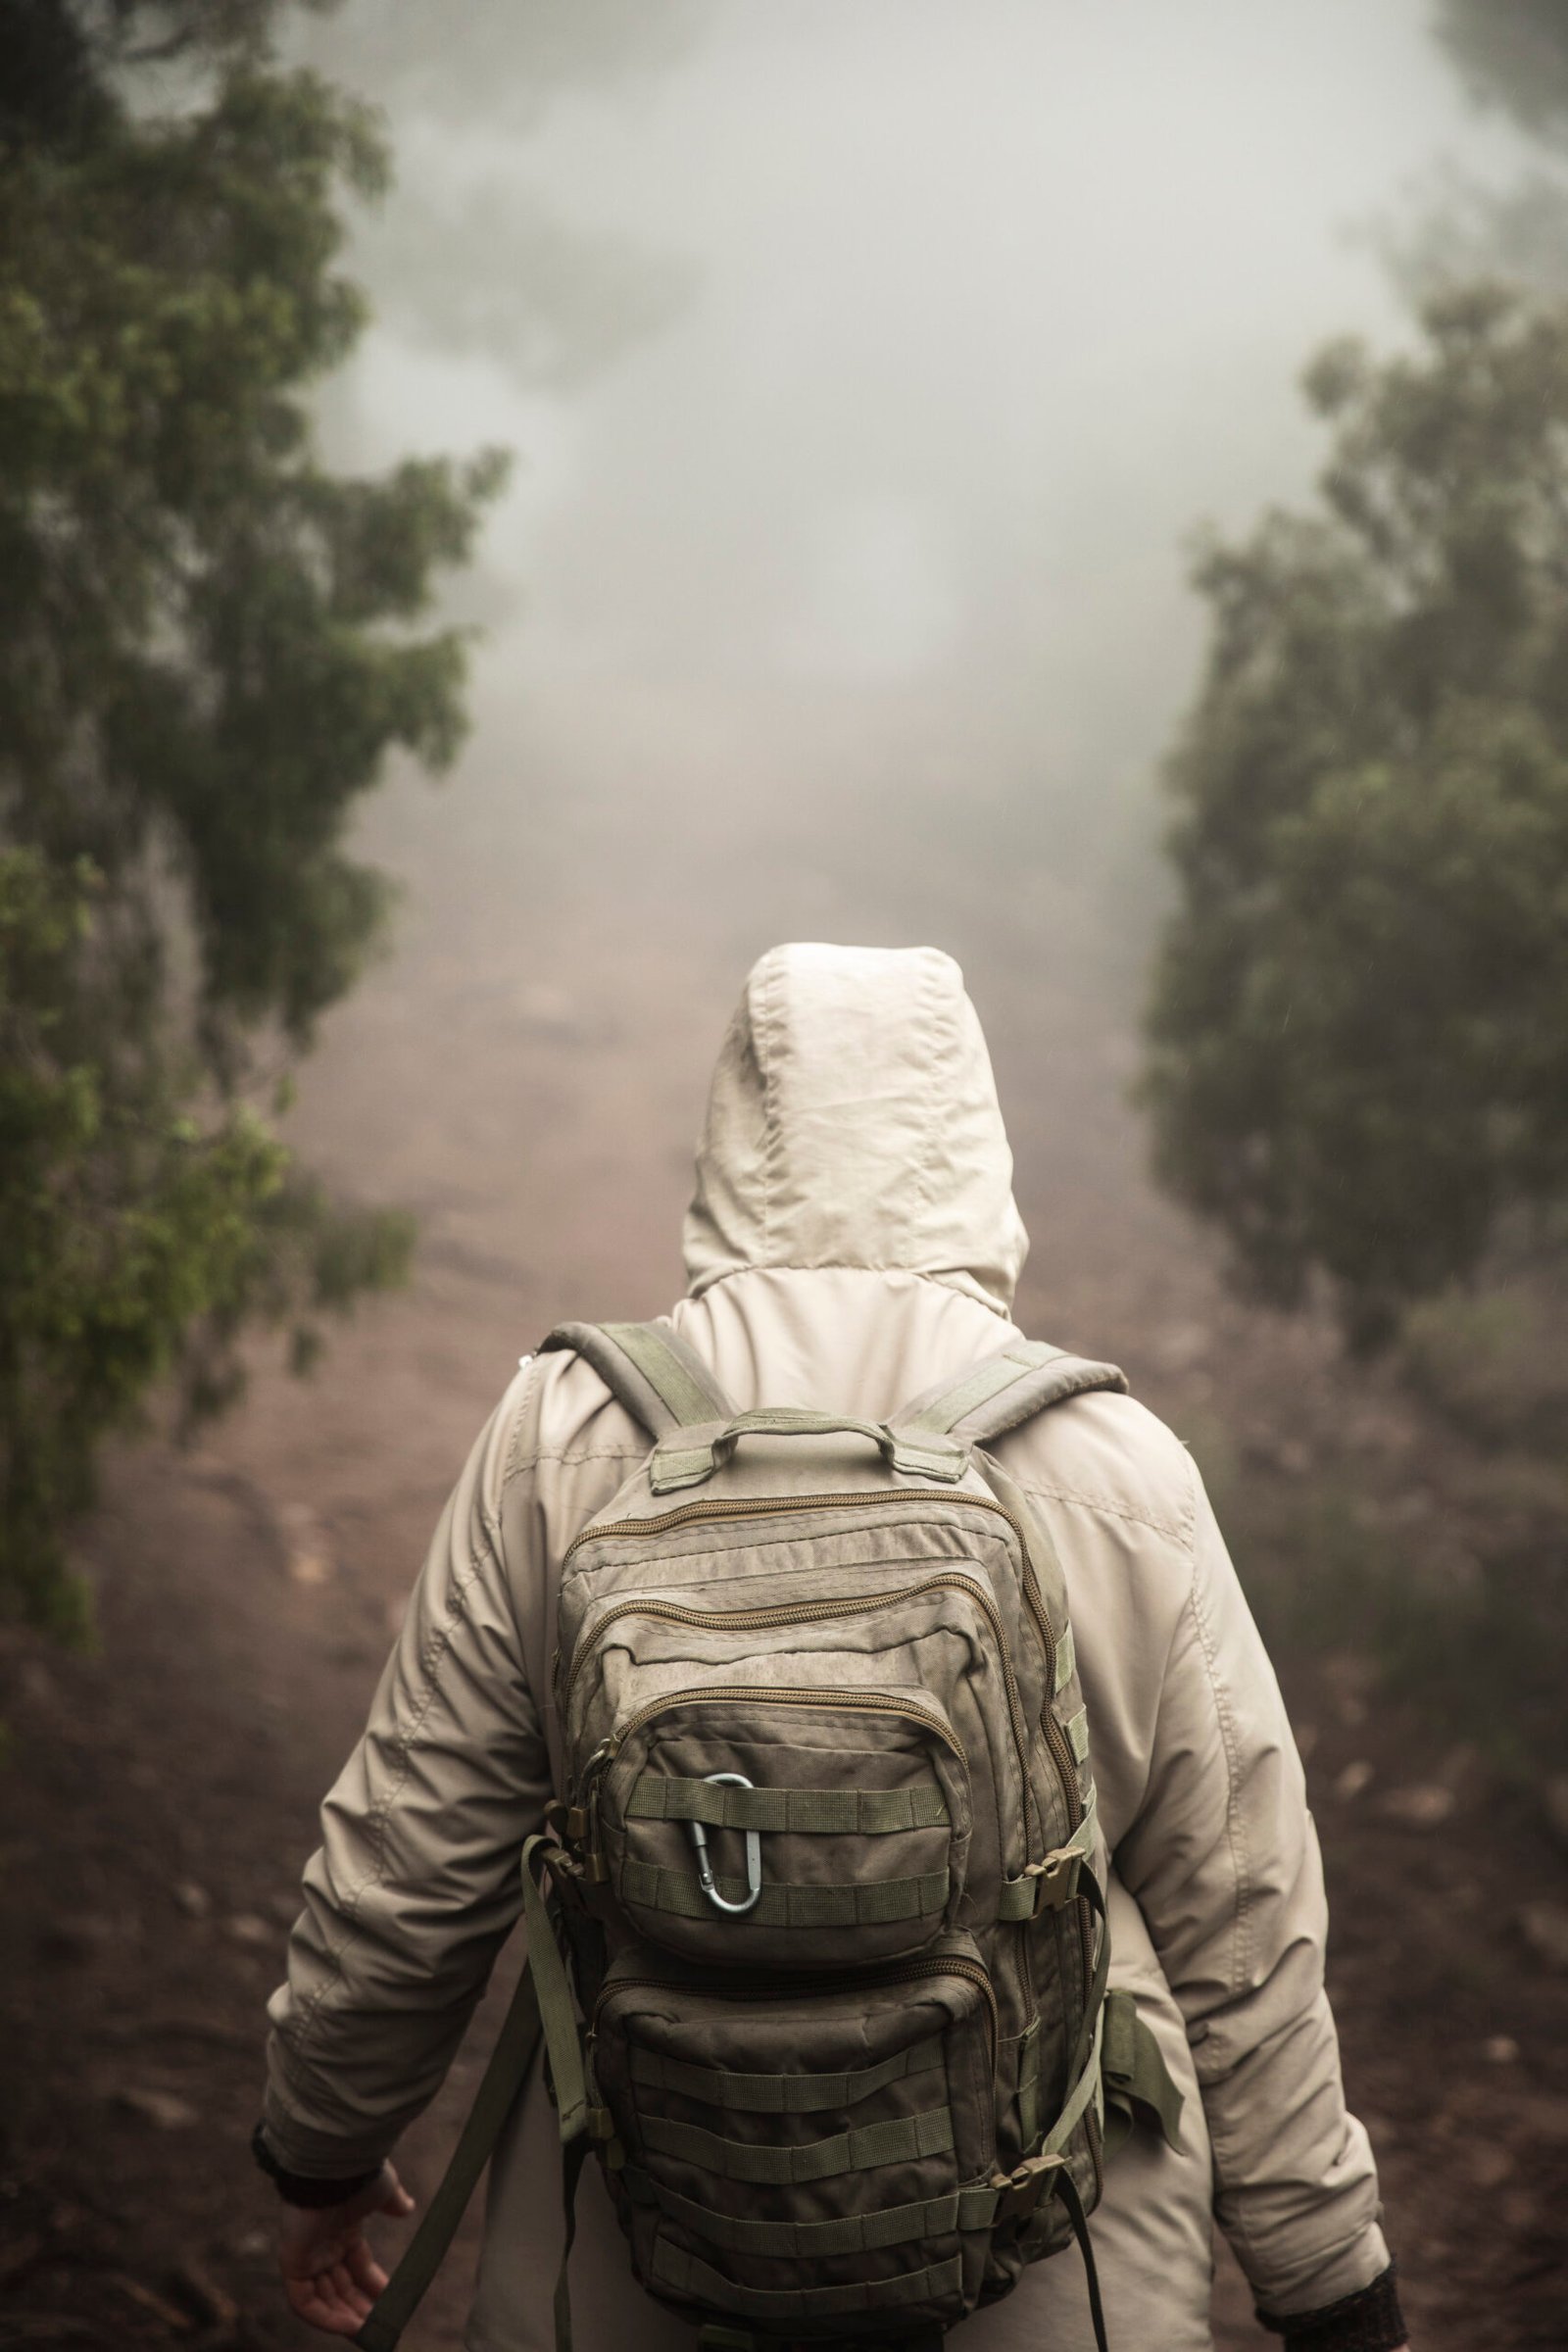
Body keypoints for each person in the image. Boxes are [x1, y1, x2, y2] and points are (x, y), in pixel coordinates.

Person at [256, 942, 1410, 2352]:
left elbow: (410, 1862)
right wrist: (1327, 2276)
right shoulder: (1116, 1465)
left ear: (736, 1130)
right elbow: (1245, 1917)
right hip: (1053, 2266)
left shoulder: (562, 1430)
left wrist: (322, 2147)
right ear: (974, 1139)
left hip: (638, 2240)